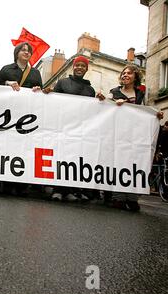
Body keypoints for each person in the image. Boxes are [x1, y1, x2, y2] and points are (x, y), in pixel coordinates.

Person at [105, 65, 161, 211]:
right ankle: (118, 197)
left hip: (136, 136)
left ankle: (132, 198)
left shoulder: (141, 95)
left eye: (129, 73)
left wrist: (156, 115)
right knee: (119, 164)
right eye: (123, 73)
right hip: (118, 135)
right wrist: (113, 104)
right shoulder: (114, 92)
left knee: (135, 165)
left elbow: (147, 112)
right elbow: (104, 109)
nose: (125, 75)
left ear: (135, 77)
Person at [43, 55, 97, 202]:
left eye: (83, 66)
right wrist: (48, 92)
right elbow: (54, 102)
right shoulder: (63, 82)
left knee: (73, 159)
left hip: (80, 130)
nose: (79, 67)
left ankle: (70, 190)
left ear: (86, 69)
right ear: (73, 67)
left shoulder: (90, 89)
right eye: (77, 65)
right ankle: (57, 189)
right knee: (61, 157)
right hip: (63, 127)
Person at [0, 42, 42, 196]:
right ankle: (5, 182)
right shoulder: (6, 69)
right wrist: (6, 83)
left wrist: (37, 90)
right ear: (17, 53)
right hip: (8, 114)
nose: (26, 52)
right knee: (7, 147)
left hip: (26, 116)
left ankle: (21, 185)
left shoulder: (35, 73)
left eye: (29, 51)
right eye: (23, 50)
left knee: (23, 148)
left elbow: (40, 93)